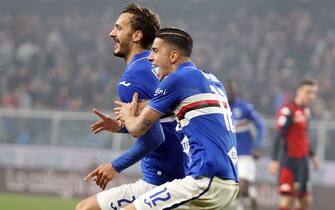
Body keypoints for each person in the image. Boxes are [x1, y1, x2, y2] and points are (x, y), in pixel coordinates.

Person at [115, 27, 239, 210]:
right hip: (228, 182)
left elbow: (138, 128)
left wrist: (126, 114)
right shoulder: (212, 81)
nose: (150, 58)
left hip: (205, 180)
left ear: (173, 56)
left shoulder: (177, 79)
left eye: (156, 51)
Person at [76, 4, 185, 210]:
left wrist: (114, 166)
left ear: (136, 35)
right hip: (180, 173)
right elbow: (163, 118)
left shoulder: (132, 78)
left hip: (162, 180)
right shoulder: (156, 67)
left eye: (118, 28)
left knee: (85, 209)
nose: (112, 33)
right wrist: (121, 126)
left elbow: (155, 137)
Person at [268, 78, 319, 210]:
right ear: (300, 91)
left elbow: (304, 137)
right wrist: (274, 160)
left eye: (314, 93)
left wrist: (313, 156)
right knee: (287, 200)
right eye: (309, 92)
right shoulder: (287, 110)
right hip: (289, 161)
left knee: (306, 201)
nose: (311, 96)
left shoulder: (306, 112)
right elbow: (278, 136)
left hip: (303, 162)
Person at [225, 80, 264, 210]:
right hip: (227, 156)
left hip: (244, 154)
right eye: (228, 90)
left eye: (232, 90)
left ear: (236, 91)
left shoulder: (245, 107)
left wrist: (258, 145)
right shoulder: (220, 108)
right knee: (236, 189)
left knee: (239, 187)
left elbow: (260, 125)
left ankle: (246, 197)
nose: (230, 93)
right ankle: (251, 194)